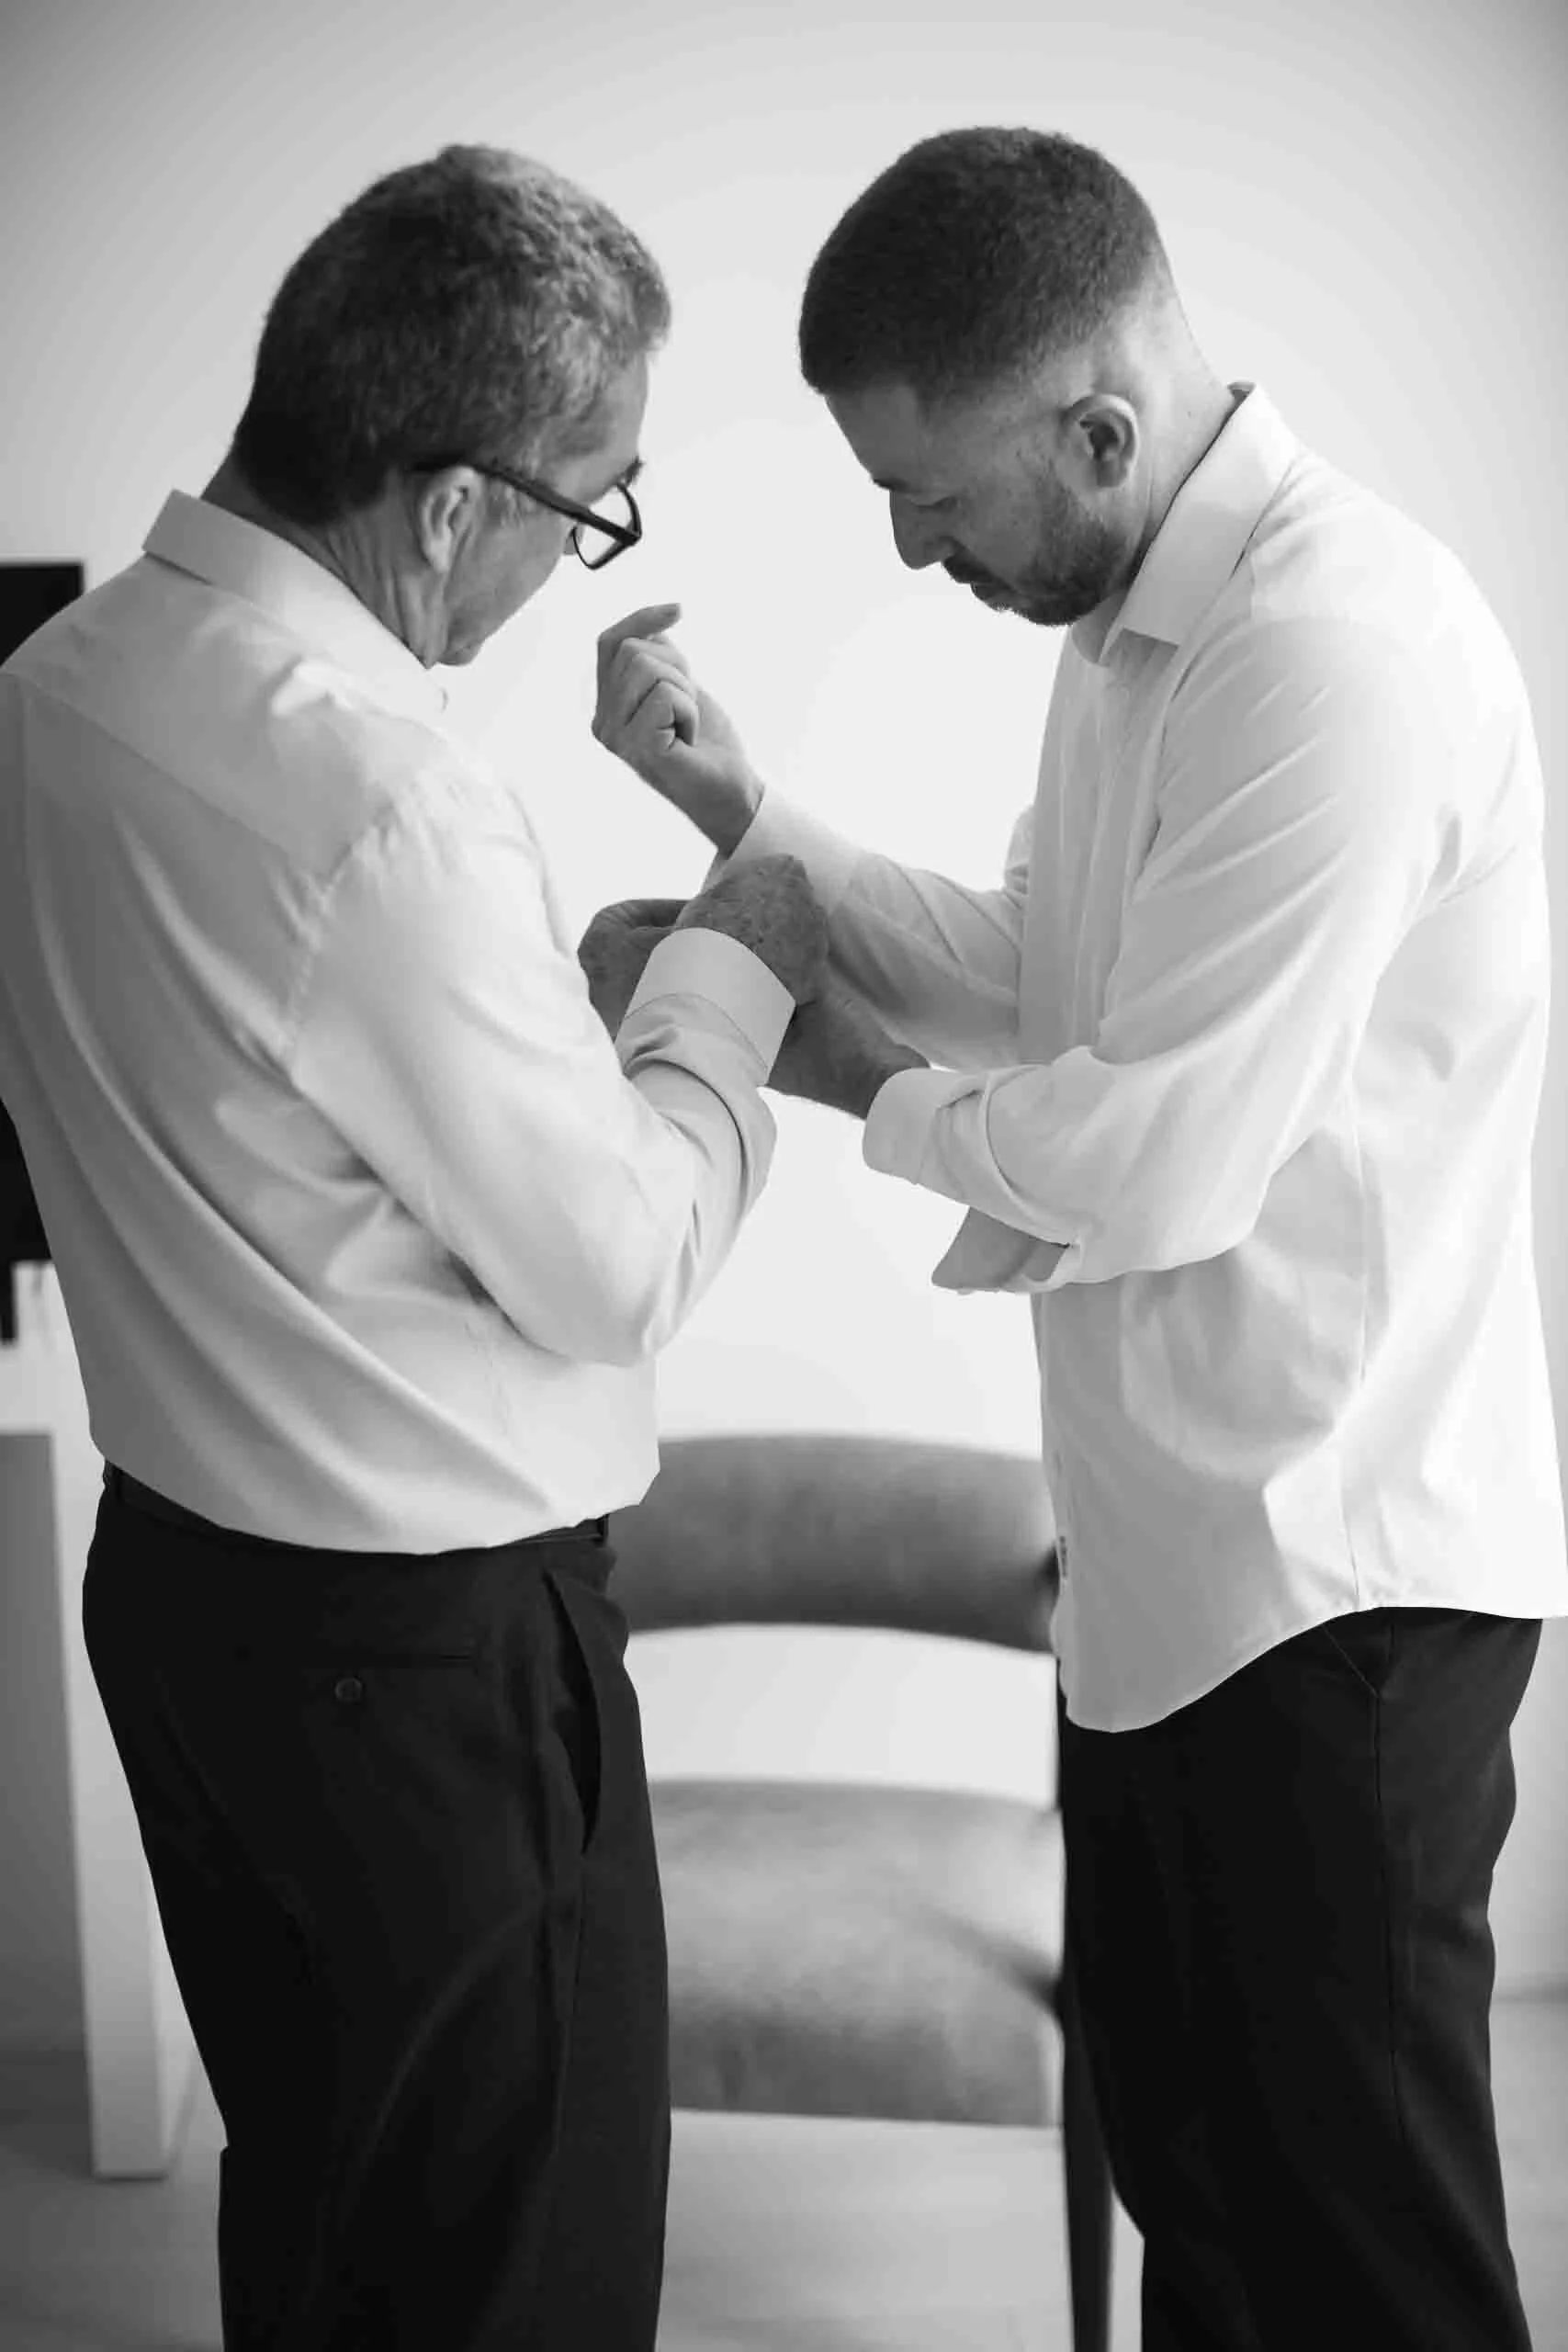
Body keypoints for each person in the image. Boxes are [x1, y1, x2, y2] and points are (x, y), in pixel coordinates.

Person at [589, 124, 1568, 2352]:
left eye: (928, 493)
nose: (913, 543)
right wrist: (749, 823)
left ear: (1098, 426)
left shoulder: (1333, 656)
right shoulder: (1127, 622)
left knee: (1364, 2267)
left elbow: (1155, 1156)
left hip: (1339, 1591)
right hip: (1164, 1580)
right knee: (1209, 2219)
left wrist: (816, 1064)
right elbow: (1049, 968)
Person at [0, 144, 830, 2352]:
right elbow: (623, 1263)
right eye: (594, 504)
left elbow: (267, 1099)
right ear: (453, 501)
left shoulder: (52, 692)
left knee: (331, 2229)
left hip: (190, 1604)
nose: (582, 560)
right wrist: (724, 974)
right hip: (432, 1674)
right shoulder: (377, 789)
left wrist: (536, 1026)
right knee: (510, 2286)